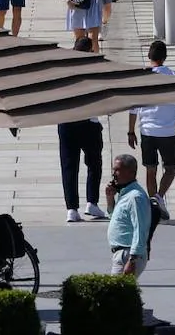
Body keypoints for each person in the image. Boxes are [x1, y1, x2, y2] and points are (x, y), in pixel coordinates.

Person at [129, 39, 175, 217]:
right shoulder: (172, 74)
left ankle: (153, 202)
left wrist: (131, 131)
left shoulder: (142, 77)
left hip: (147, 130)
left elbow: (133, 107)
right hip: (167, 131)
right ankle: (159, 197)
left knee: (150, 169)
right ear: (165, 57)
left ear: (149, 56)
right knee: (171, 168)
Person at [58, 37, 109, 223]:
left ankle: (71, 208)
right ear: (89, 51)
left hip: (66, 121)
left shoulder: (62, 68)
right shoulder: (93, 67)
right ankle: (92, 202)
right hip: (89, 121)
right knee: (94, 164)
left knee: (69, 167)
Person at [105, 153, 152, 278]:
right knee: (120, 295)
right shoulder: (125, 194)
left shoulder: (135, 197)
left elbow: (140, 229)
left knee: (115, 295)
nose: (113, 173)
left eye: (117, 170)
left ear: (131, 172)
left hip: (128, 254)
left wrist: (132, 260)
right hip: (122, 253)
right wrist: (110, 198)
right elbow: (115, 218)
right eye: (113, 170)